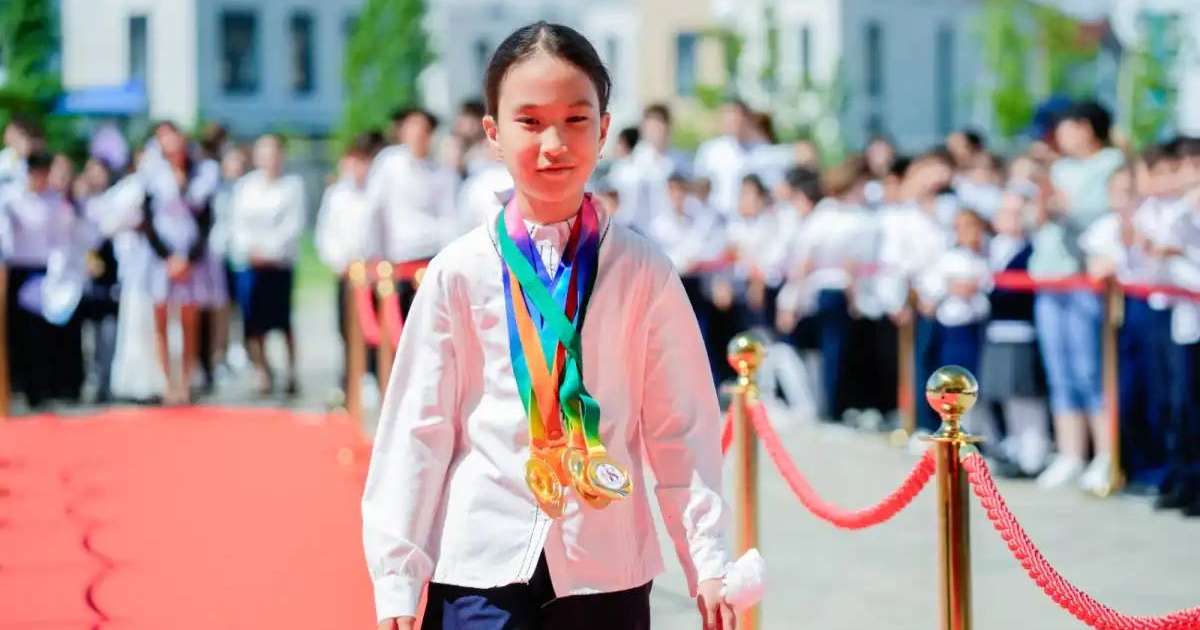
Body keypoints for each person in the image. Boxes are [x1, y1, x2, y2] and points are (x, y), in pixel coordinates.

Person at [363, 22, 734, 630]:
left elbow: (681, 425)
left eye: (576, 120)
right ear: (493, 134)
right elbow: (417, 428)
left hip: (605, 560)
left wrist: (707, 558)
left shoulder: (642, 269)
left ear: (605, 129)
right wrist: (398, 577)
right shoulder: (459, 271)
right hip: (481, 561)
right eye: (530, 122)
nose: (554, 143)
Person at [1029, 101, 1125, 489]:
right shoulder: (1061, 168)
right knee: (1059, 370)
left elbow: (1086, 213)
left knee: (1091, 369)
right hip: (1049, 277)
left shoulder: (1110, 164)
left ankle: (1105, 454)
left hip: (1085, 278)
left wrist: (1047, 183)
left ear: (1087, 127)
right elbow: (1039, 217)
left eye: (1067, 126)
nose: (1060, 136)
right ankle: (1070, 453)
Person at [140, 122, 222, 406]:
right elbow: (147, 219)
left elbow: (206, 218)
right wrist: (167, 257)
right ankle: (167, 382)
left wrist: (189, 257)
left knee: (189, 321)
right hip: (161, 257)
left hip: (190, 254)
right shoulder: (153, 174)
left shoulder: (201, 173)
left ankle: (186, 381)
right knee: (161, 320)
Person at [229, 133, 305, 396]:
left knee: (283, 320)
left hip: (279, 263)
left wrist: (271, 251)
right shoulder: (246, 187)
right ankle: (261, 369)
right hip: (251, 263)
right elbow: (238, 224)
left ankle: (291, 371)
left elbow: (292, 226)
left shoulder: (292, 186)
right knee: (253, 321)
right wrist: (251, 250)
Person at [366, 107, 461, 317]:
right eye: (413, 128)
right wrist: (375, 255)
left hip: (432, 255)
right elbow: (374, 212)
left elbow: (449, 218)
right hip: (399, 257)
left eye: (424, 129)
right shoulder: (389, 163)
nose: (419, 135)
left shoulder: (443, 172)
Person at [979, 189, 1048, 478]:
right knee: (1004, 395)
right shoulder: (991, 248)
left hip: (1023, 330)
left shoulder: (1032, 250)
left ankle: (1034, 454)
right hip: (995, 329)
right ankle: (1015, 449)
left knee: (1025, 395)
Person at [0, 151, 77, 408]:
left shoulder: (55, 203)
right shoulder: (12, 198)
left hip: (45, 271)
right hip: (15, 270)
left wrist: (56, 272)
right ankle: (17, 386)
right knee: (16, 332)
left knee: (42, 333)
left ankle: (42, 388)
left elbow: (62, 240)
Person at [693, 99, 758, 217]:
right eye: (728, 116)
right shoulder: (709, 150)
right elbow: (698, 187)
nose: (732, 121)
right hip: (715, 218)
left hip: (746, 220)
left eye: (737, 117)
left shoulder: (759, 150)